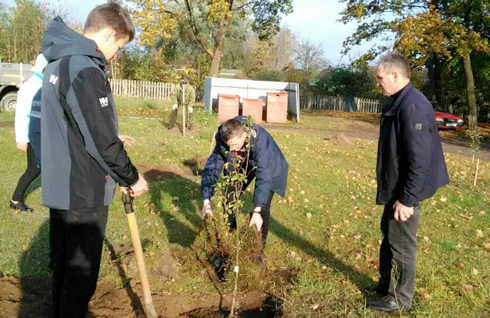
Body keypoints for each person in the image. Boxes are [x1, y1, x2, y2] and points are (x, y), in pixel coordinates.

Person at [40, 4, 148, 317]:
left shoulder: (56, 64)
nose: (116, 54)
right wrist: (131, 177)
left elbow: (73, 125)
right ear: (107, 33)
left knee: (63, 269)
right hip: (84, 191)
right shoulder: (85, 69)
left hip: (62, 188)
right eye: (119, 46)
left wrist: (107, 134)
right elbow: (100, 142)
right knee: (80, 279)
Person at [367, 52, 449, 312]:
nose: (377, 83)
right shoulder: (397, 101)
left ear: (395, 75)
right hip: (396, 187)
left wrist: (408, 199)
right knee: (389, 237)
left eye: (380, 78)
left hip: (405, 192)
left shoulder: (412, 106)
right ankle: (384, 287)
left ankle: (400, 300)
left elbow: (419, 159)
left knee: (402, 245)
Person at [201, 116, 288, 268]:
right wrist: (206, 200)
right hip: (241, 164)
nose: (231, 149)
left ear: (243, 135)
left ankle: (259, 253)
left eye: (234, 145)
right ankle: (231, 244)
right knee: (229, 198)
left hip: (270, 165)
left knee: (263, 207)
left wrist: (257, 210)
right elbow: (212, 168)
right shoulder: (224, 139)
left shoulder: (260, 142)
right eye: (228, 146)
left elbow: (264, 176)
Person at [9, 54, 48, 212]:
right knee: (34, 168)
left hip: (40, 133)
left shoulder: (40, 83)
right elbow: (22, 113)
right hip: (32, 135)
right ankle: (16, 198)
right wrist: (21, 139)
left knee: (40, 166)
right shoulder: (32, 86)